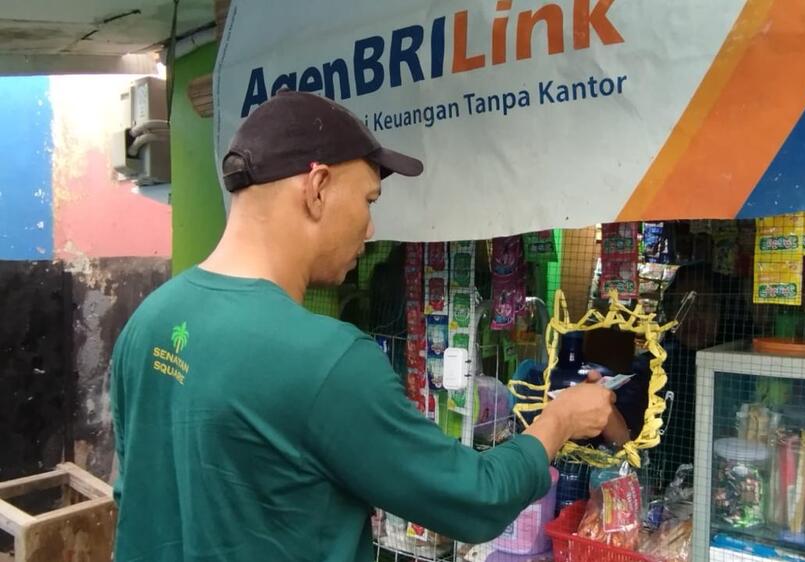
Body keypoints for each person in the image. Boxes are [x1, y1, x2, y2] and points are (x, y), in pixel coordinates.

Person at [109, 91, 615, 562]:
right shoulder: (325, 360)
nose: (370, 229)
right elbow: (477, 498)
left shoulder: (149, 320)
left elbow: (133, 495)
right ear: (317, 187)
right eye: (369, 200)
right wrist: (561, 420)